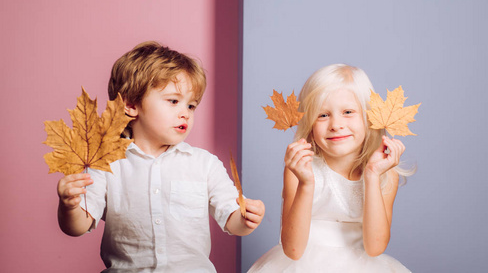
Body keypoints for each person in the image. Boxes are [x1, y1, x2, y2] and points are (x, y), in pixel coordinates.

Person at [56, 41, 265, 272]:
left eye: (192, 106)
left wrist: (247, 220)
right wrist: (69, 206)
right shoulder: (105, 163)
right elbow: (78, 226)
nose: (185, 112)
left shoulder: (205, 164)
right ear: (131, 104)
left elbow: (232, 220)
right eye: (173, 101)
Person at [249, 64, 413, 272]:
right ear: (309, 123)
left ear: (368, 117)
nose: (336, 124)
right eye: (323, 115)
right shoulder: (299, 169)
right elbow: (293, 250)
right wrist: (306, 183)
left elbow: (375, 247)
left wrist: (372, 175)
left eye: (348, 112)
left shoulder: (384, 174)